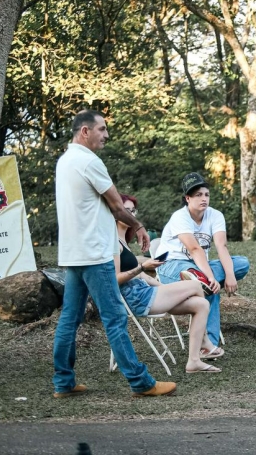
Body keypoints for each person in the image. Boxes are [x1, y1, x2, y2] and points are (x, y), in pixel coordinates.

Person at [53, 110, 176, 398]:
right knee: (115, 318)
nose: (106, 135)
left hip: (74, 254)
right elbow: (118, 206)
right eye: (102, 129)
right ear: (85, 131)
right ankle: (141, 382)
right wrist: (140, 226)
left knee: (70, 318)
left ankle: (63, 382)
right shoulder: (88, 161)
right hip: (95, 255)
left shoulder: (65, 161)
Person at [116, 194, 221, 373]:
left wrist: (163, 288)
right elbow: (115, 278)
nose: (131, 214)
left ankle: (194, 361)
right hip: (135, 299)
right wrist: (142, 267)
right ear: (116, 211)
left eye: (133, 210)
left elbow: (141, 277)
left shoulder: (123, 240)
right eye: (127, 210)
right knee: (196, 285)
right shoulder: (112, 242)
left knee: (201, 304)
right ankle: (205, 341)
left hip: (145, 291)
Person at [156, 172, 250, 353]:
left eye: (206, 194)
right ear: (187, 198)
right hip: (172, 266)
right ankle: (208, 346)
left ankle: (201, 283)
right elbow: (195, 249)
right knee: (209, 285)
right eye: (198, 195)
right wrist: (210, 276)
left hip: (200, 267)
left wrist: (229, 275)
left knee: (241, 263)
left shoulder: (215, 216)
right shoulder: (179, 217)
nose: (203, 199)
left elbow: (221, 246)